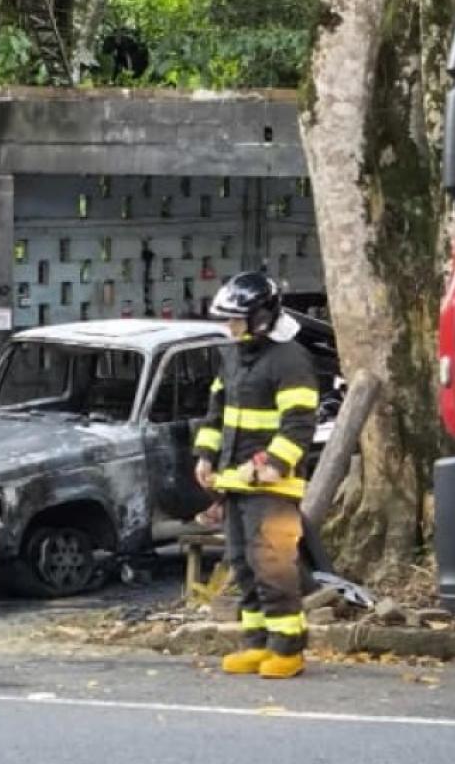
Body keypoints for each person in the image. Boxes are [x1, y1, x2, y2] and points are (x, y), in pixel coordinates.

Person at [193, 271, 320, 679]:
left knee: (272, 566)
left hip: (272, 487)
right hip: (234, 483)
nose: (229, 328)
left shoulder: (290, 360)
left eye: (236, 320)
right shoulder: (231, 356)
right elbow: (217, 413)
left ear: (261, 317)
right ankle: (256, 644)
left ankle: (288, 649)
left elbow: (299, 424)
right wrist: (206, 456)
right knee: (243, 565)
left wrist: (270, 466)